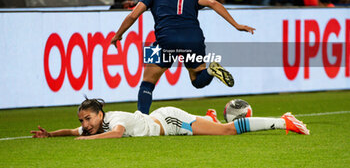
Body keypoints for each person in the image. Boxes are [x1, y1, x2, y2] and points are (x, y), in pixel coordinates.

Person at [110, 0, 255, 115]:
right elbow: (213, 2)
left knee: (147, 83)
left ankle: (141, 118)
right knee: (198, 81)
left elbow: (133, 15)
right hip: (193, 39)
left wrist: (118, 35)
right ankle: (212, 70)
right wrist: (236, 25)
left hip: (165, 41)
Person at [30, 98, 310, 140]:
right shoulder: (94, 125)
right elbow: (73, 130)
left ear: (99, 113)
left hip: (170, 121)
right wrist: (52, 135)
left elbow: (115, 134)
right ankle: (207, 116)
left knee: (225, 132)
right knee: (216, 127)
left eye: (88, 119)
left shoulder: (113, 118)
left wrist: (86, 143)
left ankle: (284, 121)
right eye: (84, 121)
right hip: (163, 120)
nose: (85, 124)